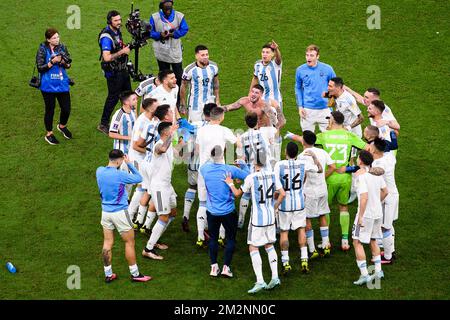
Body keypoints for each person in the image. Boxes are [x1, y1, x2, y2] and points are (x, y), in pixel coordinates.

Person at [287, 111, 368, 251]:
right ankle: (344, 241)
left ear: (333, 121)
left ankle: (327, 242)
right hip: (345, 178)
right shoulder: (350, 136)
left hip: (329, 178)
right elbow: (368, 149)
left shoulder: (324, 136)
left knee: (326, 210)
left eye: (329, 119)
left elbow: (306, 140)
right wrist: (354, 167)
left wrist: (291, 136)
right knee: (344, 207)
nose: (328, 121)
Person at [231, 154, 285, 293]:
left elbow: (237, 193)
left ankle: (260, 281)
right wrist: (275, 206)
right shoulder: (273, 175)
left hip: (257, 220)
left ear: (255, 163)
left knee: (253, 247)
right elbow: (282, 194)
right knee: (269, 245)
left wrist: (229, 183)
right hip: (270, 218)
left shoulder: (251, 177)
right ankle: (275, 277)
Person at [96, 149, 152, 283]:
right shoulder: (120, 175)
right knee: (129, 242)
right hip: (120, 212)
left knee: (107, 242)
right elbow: (139, 178)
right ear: (120, 160)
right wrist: (129, 163)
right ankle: (135, 274)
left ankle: (108, 274)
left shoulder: (99, 171)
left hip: (105, 212)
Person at [194, 107, 241, 247]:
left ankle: (200, 237)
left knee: (203, 203)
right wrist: (238, 160)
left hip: (203, 170)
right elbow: (238, 144)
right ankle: (221, 236)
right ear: (221, 117)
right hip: (220, 171)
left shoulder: (201, 130)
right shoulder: (224, 130)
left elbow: (197, 149)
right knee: (223, 202)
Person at [200, 146, 249, 278]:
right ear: (223, 155)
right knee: (231, 238)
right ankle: (226, 268)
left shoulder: (204, 169)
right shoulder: (229, 170)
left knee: (213, 238)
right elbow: (249, 176)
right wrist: (242, 165)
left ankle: (214, 267)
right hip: (228, 211)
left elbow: (206, 163)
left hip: (212, 212)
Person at [274, 142, 322, 275]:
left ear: (286, 152)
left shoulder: (279, 165)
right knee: (301, 230)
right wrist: (314, 157)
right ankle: (304, 260)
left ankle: (286, 263)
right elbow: (320, 169)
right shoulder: (303, 164)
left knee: (284, 232)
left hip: (285, 205)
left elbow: (277, 187)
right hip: (300, 203)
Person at [142, 121, 182, 260]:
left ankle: (155, 238)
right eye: (171, 129)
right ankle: (148, 249)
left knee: (172, 212)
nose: (173, 130)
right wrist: (172, 135)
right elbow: (162, 150)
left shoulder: (168, 144)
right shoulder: (158, 144)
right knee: (163, 217)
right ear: (165, 132)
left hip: (167, 185)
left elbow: (177, 154)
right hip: (159, 187)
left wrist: (185, 140)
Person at [352, 150, 388, 285]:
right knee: (373, 240)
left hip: (366, 215)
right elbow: (386, 191)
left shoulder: (362, 177)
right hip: (378, 213)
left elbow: (364, 197)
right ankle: (378, 271)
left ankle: (365, 275)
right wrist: (377, 202)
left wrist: (360, 216)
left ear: (360, 161)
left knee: (357, 242)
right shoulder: (376, 175)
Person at [298, 131, 336, 259]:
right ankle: (326, 246)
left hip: (309, 191)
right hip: (322, 189)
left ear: (304, 141)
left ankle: (312, 249)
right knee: (322, 215)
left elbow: (302, 175)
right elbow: (332, 167)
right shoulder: (323, 152)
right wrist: (323, 178)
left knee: (307, 219)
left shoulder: (302, 156)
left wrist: (300, 187)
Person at [181, 103, 215, 233]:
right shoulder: (214, 128)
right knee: (205, 195)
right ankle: (205, 226)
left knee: (192, 187)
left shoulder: (194, 124)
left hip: (193, 163)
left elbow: (183, 138)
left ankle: (185, 216)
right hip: (207, 166)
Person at [36, 28, 73, 145]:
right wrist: (52, 62)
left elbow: (68, 64)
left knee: (66, 108)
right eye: (54, 38)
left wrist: (63, 62)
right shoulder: (42, 49)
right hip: (48, 85)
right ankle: (49, 134)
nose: (57, 40)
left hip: (61, 83)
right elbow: (40, 68)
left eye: (58, 37)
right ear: (48, 39)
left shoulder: (62, 47)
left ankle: (62, 126)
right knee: (50, 110)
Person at [97, 10, 132, 135]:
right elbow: (106, 57)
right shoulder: (106, 37)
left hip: (122, 70)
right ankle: (103, 124)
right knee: (113, 97)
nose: (119, 22)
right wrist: (122, 52)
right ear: (109, 21)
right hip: (113, 72)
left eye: (119, 19)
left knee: (128, 95)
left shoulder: (117, 31)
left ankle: (129, 119)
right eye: (116, 20)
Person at [236, 112, 272, 229]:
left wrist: (238, 174)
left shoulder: (242, 137)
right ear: (257, 122)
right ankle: (273, 223)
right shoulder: (264, 132)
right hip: (266, 169)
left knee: (246, 193)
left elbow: (241, 158)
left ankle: (240, 222)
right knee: (268, 195)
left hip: (252, 170)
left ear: (246, 123)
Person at [149, 0, 189, 97]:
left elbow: (184, 29)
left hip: (175, 52)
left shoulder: (179, 16)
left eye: (170, 9)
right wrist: (160, 35)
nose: (168, 11)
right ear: (161, 8)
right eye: (166, 9)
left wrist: (173, 34)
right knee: (164, 76)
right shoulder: (154, 17)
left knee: (178, 76)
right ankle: (165, 96)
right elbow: (149, 32)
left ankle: (179, 99)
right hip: (161, 52)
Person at [295, 44, 336, 132]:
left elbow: (335, 87)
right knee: (307, 139)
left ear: (317, 56)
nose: (308, 58)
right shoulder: (300, 70)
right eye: (307, 55)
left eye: (312, 55)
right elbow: (298, 88)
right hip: (307, 110)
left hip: (325, 109)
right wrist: (300, 107)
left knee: (328, 139)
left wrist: (331, 105)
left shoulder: (328, 69)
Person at [370, 138, 399, 264]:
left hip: (387, 198)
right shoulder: (390, 157)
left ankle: (388, 257)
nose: (369, 147)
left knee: (386, 227)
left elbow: (376, 180)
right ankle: (390, 251)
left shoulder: (378, 165)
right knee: (389, 224)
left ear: (375, 149)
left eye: (371, 146)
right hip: (394, 194)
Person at [180, 45, 220, 122]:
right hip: (195, 104)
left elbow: (216, 83)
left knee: (211, 124)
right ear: (196, 56)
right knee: (195, 127)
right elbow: (183, 87)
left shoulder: (214, 66)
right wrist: (183, 104)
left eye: (207, 54)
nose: (205, 57)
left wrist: (217, 100)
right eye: (202, 55)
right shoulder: (189, 70)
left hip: (210, 101)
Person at [250, 41, 283, 107]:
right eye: (263, 52)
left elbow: (279, 58)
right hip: (261, 100)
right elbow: (255, 78)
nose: (264, 54)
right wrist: (250, 95)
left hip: (275, 101)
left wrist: (276, 49)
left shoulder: (276, 64)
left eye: (267, 52)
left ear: (272, 54)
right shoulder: (257, 65)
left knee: (276, 117)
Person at [108, 91, 137, 156]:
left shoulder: (132, 110)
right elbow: (111, 134)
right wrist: (130, 138)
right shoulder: (118, 116)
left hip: (132, 147)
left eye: (136, 99)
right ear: (126, 102)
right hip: (122, 150)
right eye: (134, 99)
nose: (136, 101)